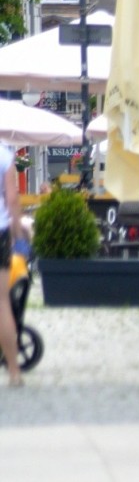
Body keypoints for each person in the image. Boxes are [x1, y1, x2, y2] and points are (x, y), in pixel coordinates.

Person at [0, 147, 24, 387]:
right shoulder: (3, 155)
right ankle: (14, 372)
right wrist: (17, 231)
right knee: (2, 302)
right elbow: (12, 198)